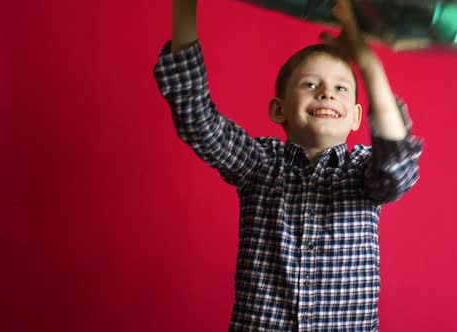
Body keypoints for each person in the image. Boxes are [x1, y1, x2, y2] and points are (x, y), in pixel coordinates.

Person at [153, 0, 423, 330]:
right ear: (278, 110)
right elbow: (197, 118)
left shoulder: (363, 172)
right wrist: (184, 7)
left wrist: (366, 61)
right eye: (310, 84)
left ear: (355, 116)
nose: (326, 93)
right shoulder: (258, 165)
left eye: (341, 88)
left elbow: (398, 167)